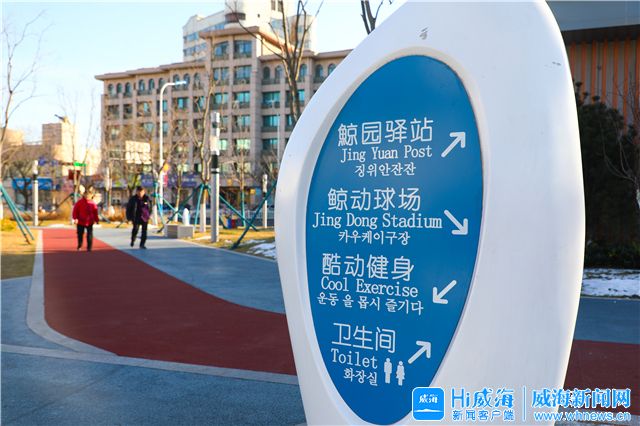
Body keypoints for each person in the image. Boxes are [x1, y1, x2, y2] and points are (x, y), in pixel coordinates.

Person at [72, 186, 99, 252]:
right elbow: (75, 211)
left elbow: (95, 212)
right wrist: (75, 218)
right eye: (86, 195)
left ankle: (89, 247)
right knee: (80, 234)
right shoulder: (79, 202)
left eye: (88, 195)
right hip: (80, 221)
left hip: (89, 221)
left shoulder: (93, 204)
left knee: (89, 235)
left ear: (91, 196)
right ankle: (79, 245)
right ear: (83, 195)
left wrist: (96, 220)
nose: (87, 196)